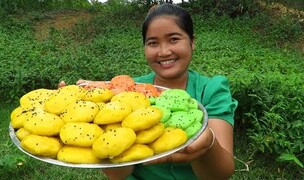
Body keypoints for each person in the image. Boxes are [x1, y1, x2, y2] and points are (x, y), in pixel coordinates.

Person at [60, 3, 238, 180]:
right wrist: (92, 111)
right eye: (153, 43)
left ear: (192, 42)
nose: (163, 51)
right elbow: (118, 174)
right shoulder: (130, 92)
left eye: (174, 39)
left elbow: (220, 174)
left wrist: (208, 144)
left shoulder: (211, 90)